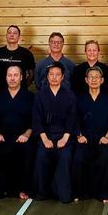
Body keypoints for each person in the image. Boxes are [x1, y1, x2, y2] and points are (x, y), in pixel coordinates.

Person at [0, 65, 35, 200]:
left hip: (23, 136)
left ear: (21, 77)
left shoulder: (30, 96)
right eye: (9, 75)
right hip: (2, 136)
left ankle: (21, 188)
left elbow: (35, 120)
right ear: (6, 77)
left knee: (27, 150)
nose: (12, 78)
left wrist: (26, 134)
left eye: (15, 75)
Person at [32, 62, 77, 203]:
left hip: (65, 136)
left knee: (65, 155)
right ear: (47, 76)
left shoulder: (70, 95)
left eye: (57, 74)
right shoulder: (40, 96)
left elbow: (72, 118)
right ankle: (42, 192)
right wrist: (45, 139)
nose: (54, 77)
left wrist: (65, 138)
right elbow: (37, 119)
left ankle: (62, 193)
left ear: (62, 77)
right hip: (46, 136)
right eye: (51, 74)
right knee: (41, 155)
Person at [72, 66, 108, 203]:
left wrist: (107, 136)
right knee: (78, 158)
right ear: (86, 80)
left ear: (102, 80)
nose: (94, 79)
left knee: (105, 158)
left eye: (97, 77)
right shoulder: (79, 98)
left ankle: (104, 193)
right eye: (91, 77)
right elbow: (74, 119)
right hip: (84, 137)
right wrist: (79, 136)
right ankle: (80, 192)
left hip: (103, 137)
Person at [0, 25, 36, 91]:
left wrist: (24, 87)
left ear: (19, 37)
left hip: (21, 93)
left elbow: (32, 74)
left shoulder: (26, 53)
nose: (12, 35)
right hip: (1, 93)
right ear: (6, 36)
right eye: (9, 33)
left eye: (15, 33)